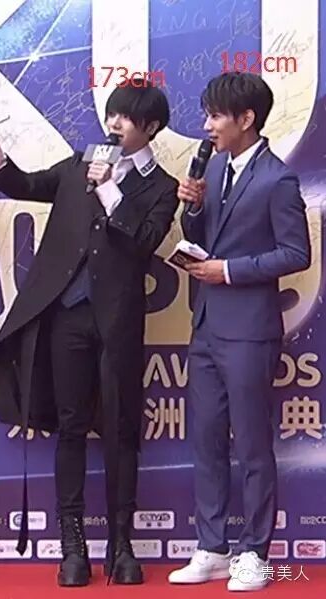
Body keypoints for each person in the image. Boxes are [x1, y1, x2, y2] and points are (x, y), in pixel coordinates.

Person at [0, 80, 179, 586]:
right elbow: (26, 184)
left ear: (150, 127)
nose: (113, 124)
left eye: (125, 117)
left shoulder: (162, 187)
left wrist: (109, 188)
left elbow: (145, 240)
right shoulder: (79, 164)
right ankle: (73, 546)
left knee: (122, 428)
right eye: (111, 114)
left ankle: (122, 545)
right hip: (67, 317)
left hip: (119, 321)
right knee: (71, 426)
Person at [168, 72, 311, 592]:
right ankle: (211, 548)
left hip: (250, 330)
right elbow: (203, 234)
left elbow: (296, 253)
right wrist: (193, 208)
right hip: (206, 325)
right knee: (205, 442)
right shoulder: (215, 167)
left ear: (246, 119)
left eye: (215, 116)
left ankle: (254, 553)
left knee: (251, 446)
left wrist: (228, 271)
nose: (207, 126)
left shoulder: (278, 179)